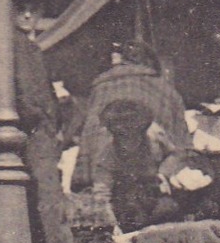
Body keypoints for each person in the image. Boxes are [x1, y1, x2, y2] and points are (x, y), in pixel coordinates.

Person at [11, 0, 74, 243]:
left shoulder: (28, 46)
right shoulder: (19, 46)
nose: (27, 15)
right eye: (21, 9)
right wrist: (42, 121)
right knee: (48, 194)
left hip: (40, 129)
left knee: (41, 194)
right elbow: (25, 95)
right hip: (35, 132)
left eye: (33, 10)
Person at [74, 40, 189, 192]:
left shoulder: (100, 88)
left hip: (103, 166)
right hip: (150, 170)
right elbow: (182, 143)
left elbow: (88, 133)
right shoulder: (165, 89)